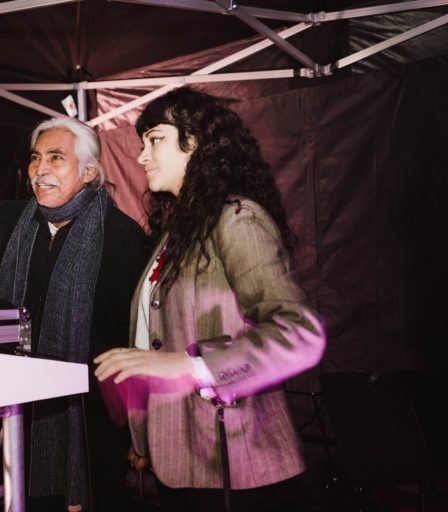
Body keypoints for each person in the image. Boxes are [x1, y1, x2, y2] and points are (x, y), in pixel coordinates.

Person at [93, 87, 326, 512]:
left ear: (195, 143)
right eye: (142, 143)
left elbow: (299, 333)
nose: (142, 156)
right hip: (178, 463)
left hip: (238, 465)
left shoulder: (236, 218)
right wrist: (144, 436)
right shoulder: (173, 233)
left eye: (155, 139)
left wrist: (192, 365)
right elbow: (156, 339)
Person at [0, 108, 148, 511]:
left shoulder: (123, 238)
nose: (40, 168)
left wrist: (143, 432)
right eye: (35, 158)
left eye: (56, 157)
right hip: (16, 420)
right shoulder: (9, 225)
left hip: (92, 431)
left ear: (90, 173)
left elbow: (139, 340)